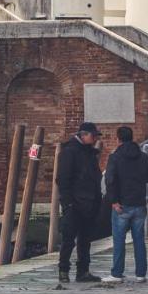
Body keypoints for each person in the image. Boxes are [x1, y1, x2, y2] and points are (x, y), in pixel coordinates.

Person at [103, 126, 148, 284]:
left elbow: (110, 181)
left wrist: (114, 201)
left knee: (119, 240)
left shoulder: (115, 157)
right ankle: (141, 274)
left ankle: (117, 274)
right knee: (139, 240)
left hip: (122, 204)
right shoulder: (143, 156)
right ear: (132, 138)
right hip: (139, 204)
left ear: (118, 139)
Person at [55, 122, 104, 284]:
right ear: (83, 135)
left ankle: (83, 271)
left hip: (89, 203)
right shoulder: (69, 152)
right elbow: (62, 179)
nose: (95, 138)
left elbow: (95, 177)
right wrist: (68, 203)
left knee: (85, 240)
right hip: (74, 205)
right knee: (69, 239)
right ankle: (63, 271)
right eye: (93, 135)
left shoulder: (89, 153)